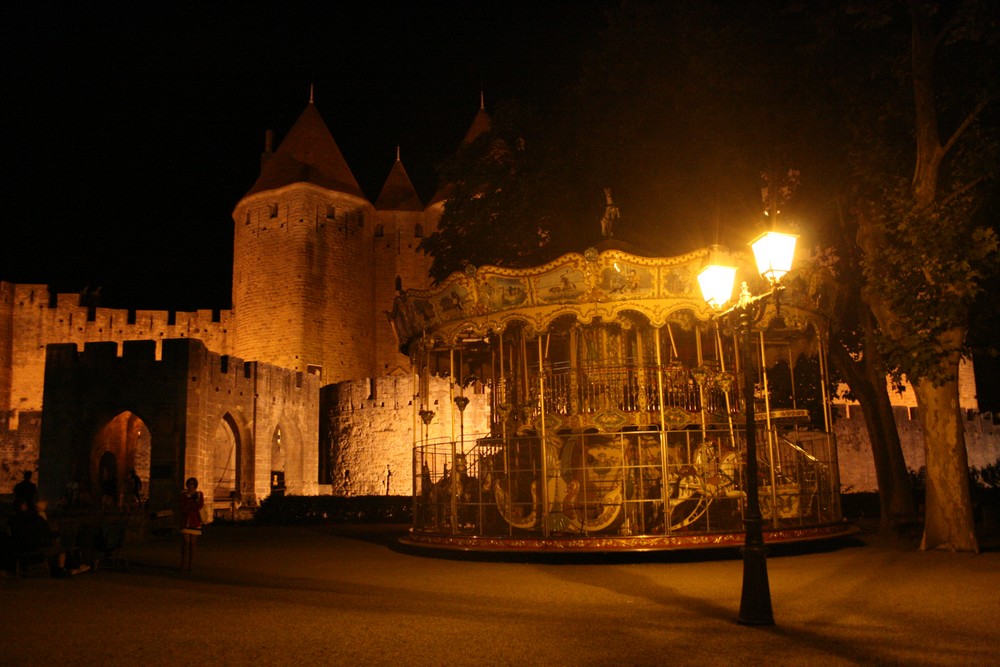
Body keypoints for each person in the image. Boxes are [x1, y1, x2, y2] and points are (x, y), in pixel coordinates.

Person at [6, 498, 70, 577]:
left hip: (19, 548)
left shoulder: (11, 519)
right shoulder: (35, 518)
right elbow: (46, 532)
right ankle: (60, 569)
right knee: (61, 549)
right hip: (36, 547)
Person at [179, 477, 204, 572]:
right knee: (185, 542)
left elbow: (200, 505)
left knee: (193, 543)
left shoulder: (199, 494)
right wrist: (190, 504)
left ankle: (191, 564)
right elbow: (182, 505)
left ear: (195, 486)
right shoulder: (184, 494)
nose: (191, 486)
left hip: (195, 520)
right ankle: (183, 563)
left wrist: (190, 505)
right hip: (185, 520)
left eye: (193, 484)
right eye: (189, 484)